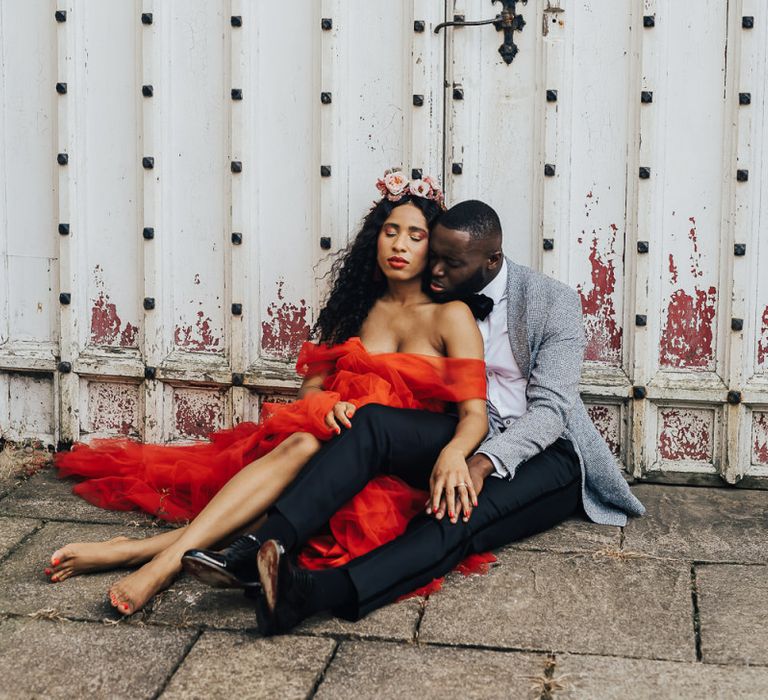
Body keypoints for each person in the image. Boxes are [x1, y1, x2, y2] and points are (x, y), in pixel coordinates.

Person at [187, 199, 646, 634]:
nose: (437, 270)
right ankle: (257, 548)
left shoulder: (553, 302)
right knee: (373, 424)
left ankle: (306, 596)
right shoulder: (444, 295)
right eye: (436, 257)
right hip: (473, 428)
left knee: (454, 514)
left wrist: (478, 462)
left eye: (451, 263)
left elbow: (551, 414)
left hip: (549, 454)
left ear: (491, 261)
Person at [47, 171, 489, 615]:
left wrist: (455, 455)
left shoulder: (450, 316)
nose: (399, 245)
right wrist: (324, 405)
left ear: (433, 248)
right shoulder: (356, 307)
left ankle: (148, 556)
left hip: (398, 463)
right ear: (375, 239)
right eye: (390, 232)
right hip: (330, 437)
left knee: (307, 458)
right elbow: (312, 386)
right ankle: (159, 558)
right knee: (302, 442)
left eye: (415, 236)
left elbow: (475, 415)